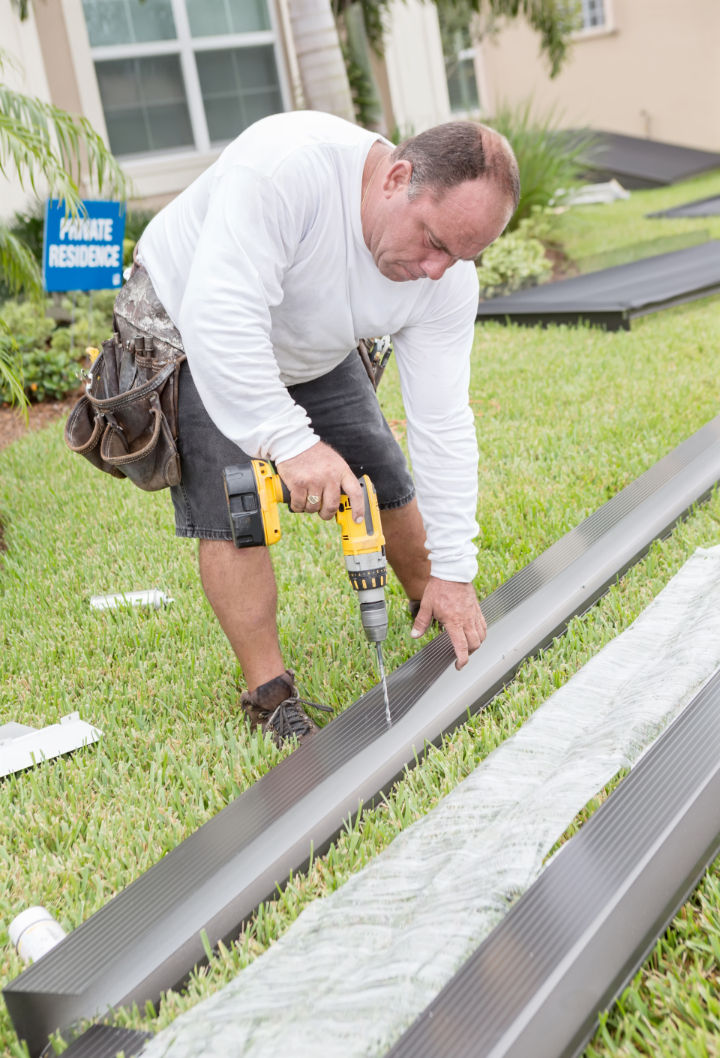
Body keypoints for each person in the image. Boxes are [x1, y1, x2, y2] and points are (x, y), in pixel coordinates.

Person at [115, 110, 519, 746]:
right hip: (195, 320)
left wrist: (458, 569)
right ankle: (271, 698)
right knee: (235, 503)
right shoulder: (286, 169)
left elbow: (442, 423)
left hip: (310, 338)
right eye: (435, 242)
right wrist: (292, 444)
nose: (439, 269)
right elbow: (223, 319)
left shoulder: (446, 277)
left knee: (382, 474)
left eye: (462, 256)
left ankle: (436, 611)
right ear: (397, 179)